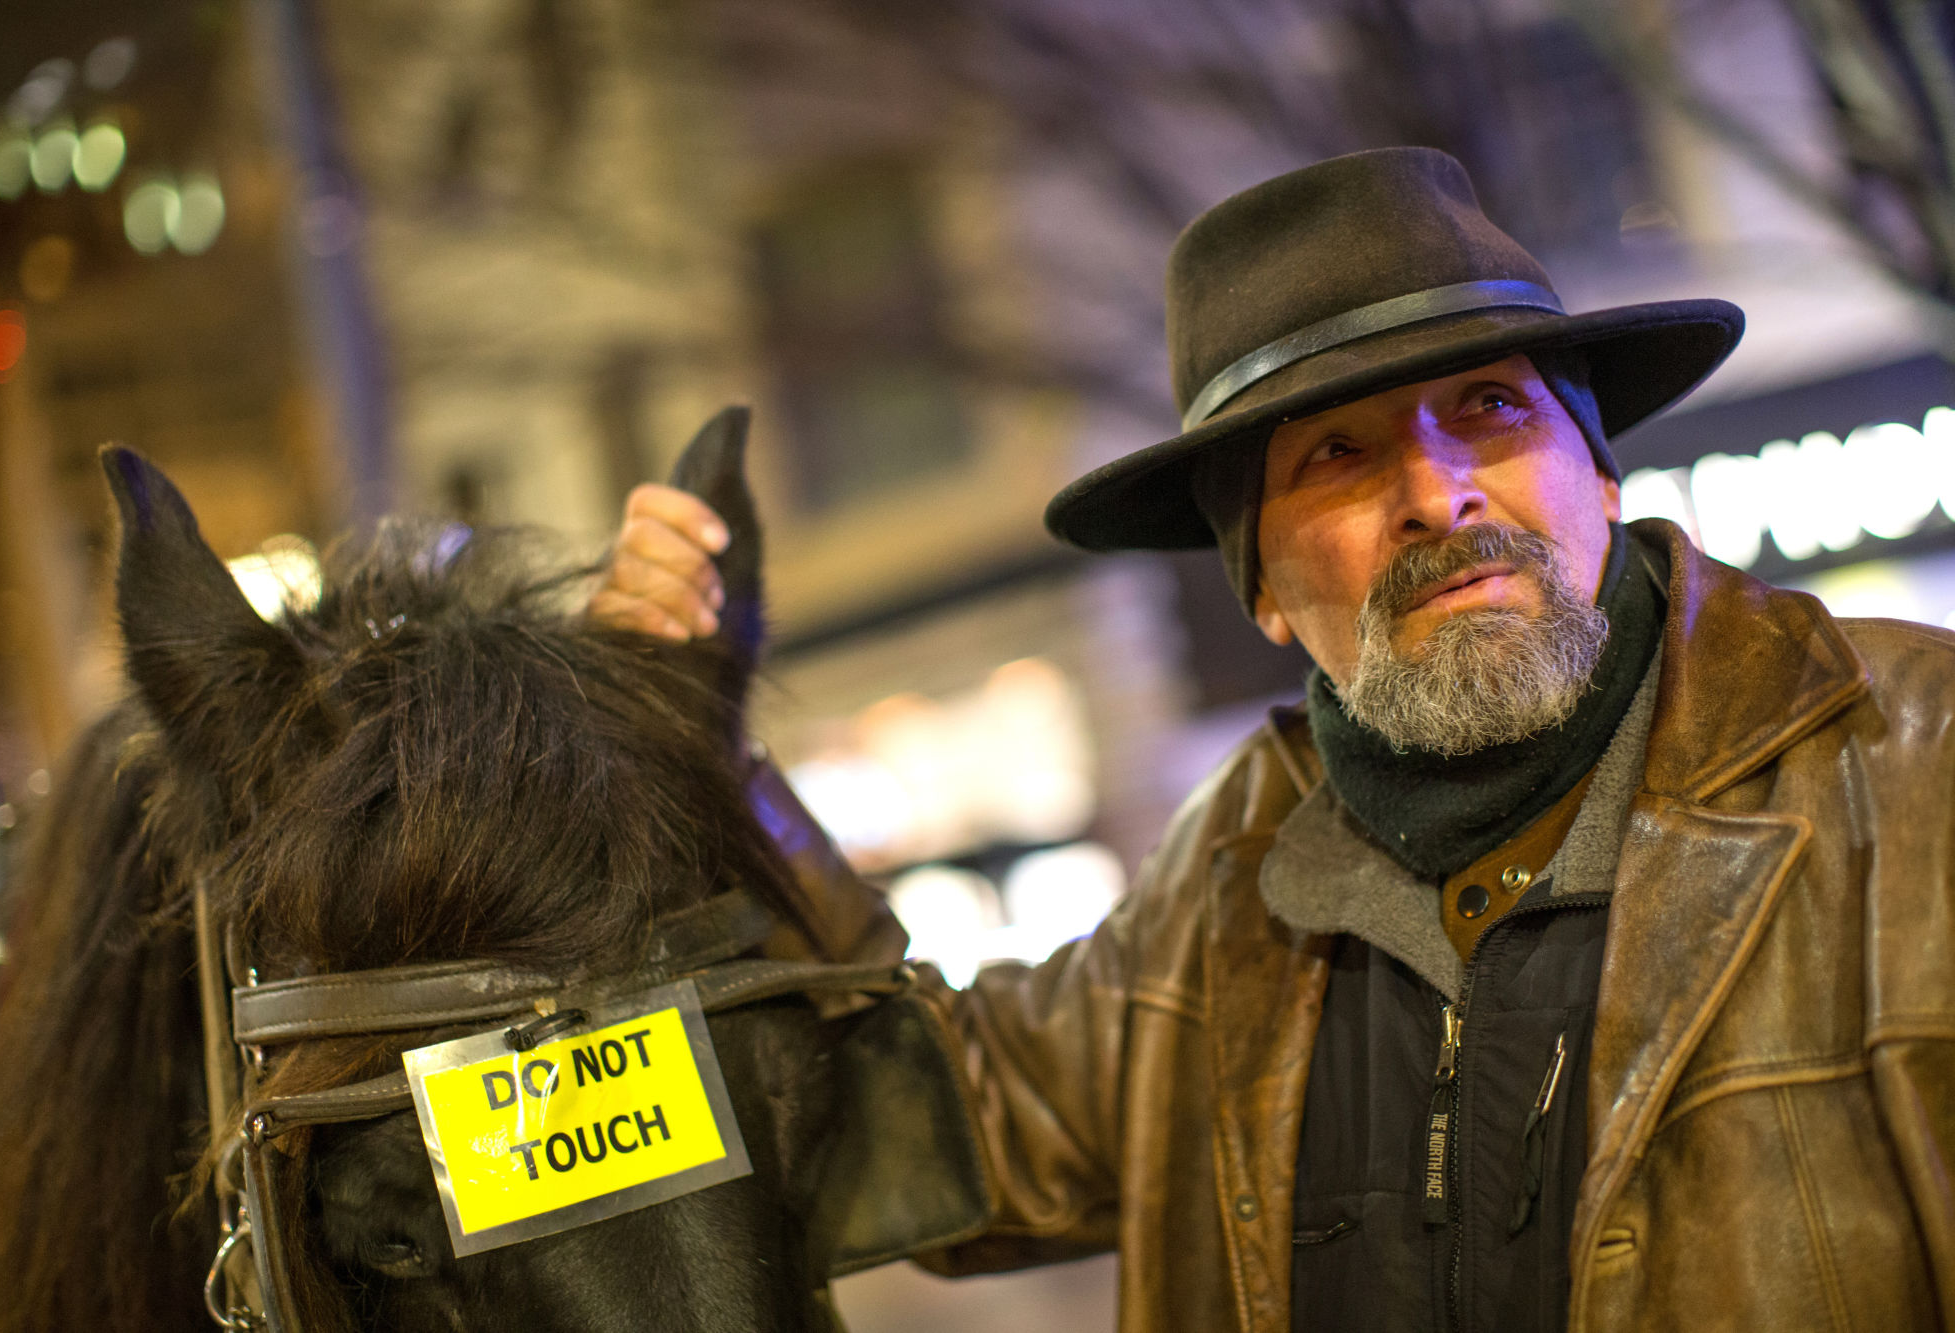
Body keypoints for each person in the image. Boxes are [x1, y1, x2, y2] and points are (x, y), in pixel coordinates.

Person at [594, 148, 1955, 1331]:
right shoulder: (1230, 882)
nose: (1436, 490)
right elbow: (938, 1117)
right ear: (1258, 590)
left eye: (1489, 407)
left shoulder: (1913, 767)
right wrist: (697, 744)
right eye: (1339, 456)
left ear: (1595, 470)